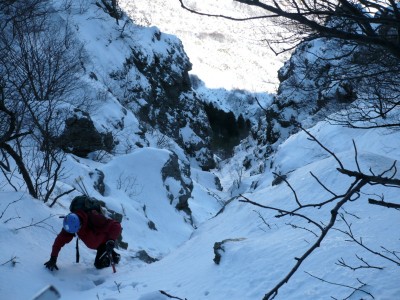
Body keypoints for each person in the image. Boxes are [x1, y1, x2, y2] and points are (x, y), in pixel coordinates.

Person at [44, 209, 122, 271]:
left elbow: (116, 225)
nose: (77, 232)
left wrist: (111, 240)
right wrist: (53, 258)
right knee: (102, 257)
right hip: (97, 244)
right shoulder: (70, 225)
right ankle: (114, 255)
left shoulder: (95, 218)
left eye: (78, 229)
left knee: (98, 264)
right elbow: (59, 241)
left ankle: (114, 259)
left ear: (80, 224)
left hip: (105, 243)